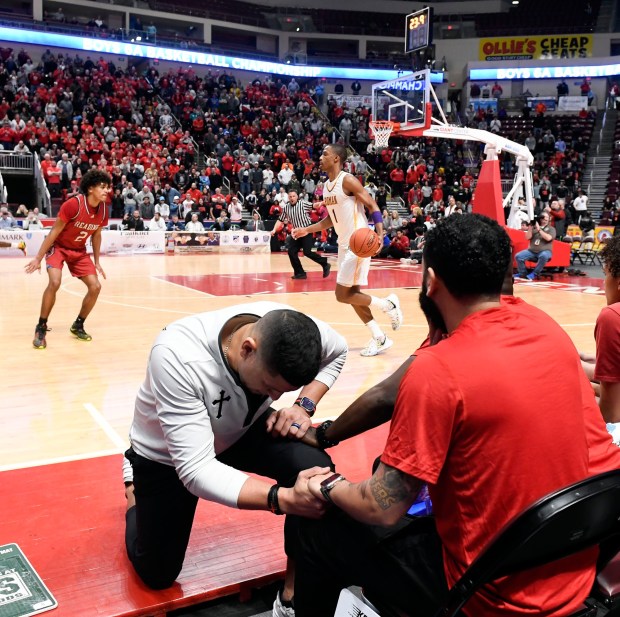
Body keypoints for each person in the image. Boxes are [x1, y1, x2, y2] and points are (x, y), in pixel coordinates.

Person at [293, 214, 620, 617]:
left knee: (315, 527)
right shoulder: (545, 326)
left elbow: (382, 506)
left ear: (430, 282)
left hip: (488, 595)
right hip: (571, 564)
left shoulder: (437, 368)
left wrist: (327, 485)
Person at [122, 302, 348, 615]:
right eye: (270, 386)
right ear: (246, 348)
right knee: (157, 574)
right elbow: (196, 470)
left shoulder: (293, 330)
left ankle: (291, 595)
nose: (273, 398)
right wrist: (280, 499)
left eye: (282, 392)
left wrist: (303, 406)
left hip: (240, 428)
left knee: (312, 469)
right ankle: (134, 487)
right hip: (169, 455)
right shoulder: (178, 355)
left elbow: (339, 351)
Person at [292, 145, 402, 357]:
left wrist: (379, 235)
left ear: (336, 158)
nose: (320, 157)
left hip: (359, 242)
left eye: (324, 154)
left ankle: (388, 305)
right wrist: (306, 229)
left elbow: (372, 205)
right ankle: (380, 338)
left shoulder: (347, 180)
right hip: (344, 245)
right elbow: (330, 220)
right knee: (353, 295)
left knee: (342, 295)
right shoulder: (326, 186)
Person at [24, 169, 111, 349]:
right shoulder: (73, 204)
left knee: (95, 287)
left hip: (79, 251)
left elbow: (96, 236)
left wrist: (96, 261)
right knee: (54, 282)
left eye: (108, 187)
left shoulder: (103, 210)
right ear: (90, 189)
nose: (106, 191)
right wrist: (38, 257)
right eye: (102, 187)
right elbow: (54, 231)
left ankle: (78, 324)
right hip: (59, 248)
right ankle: (41, 326)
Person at [272, 189, 331, 280]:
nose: (292, 198)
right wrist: (274, 230)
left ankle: (325, 264)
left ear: (297, 197)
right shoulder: (286, 207)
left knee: (307, 252)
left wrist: (321, 203)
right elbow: (280, 220)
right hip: (297, 232)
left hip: (306, 230)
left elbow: (314, 205)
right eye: (290, 196)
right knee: (291, 252)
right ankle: (300, 273)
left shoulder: (302, 203)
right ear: (288, 197)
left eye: (293, 196)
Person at [515, 212, 556, 280]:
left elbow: (548, 238)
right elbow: (527, 237)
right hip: (532, 251)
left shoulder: (551, 229)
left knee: (544, 255)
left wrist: (539, 229)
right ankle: (522, 273)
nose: (545, 219)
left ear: (549, 219)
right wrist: (530, 228)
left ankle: (535, 273)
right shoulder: (534, 228)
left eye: (546, 217)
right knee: (518, 256)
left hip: (545, 251)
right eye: (543, 217)